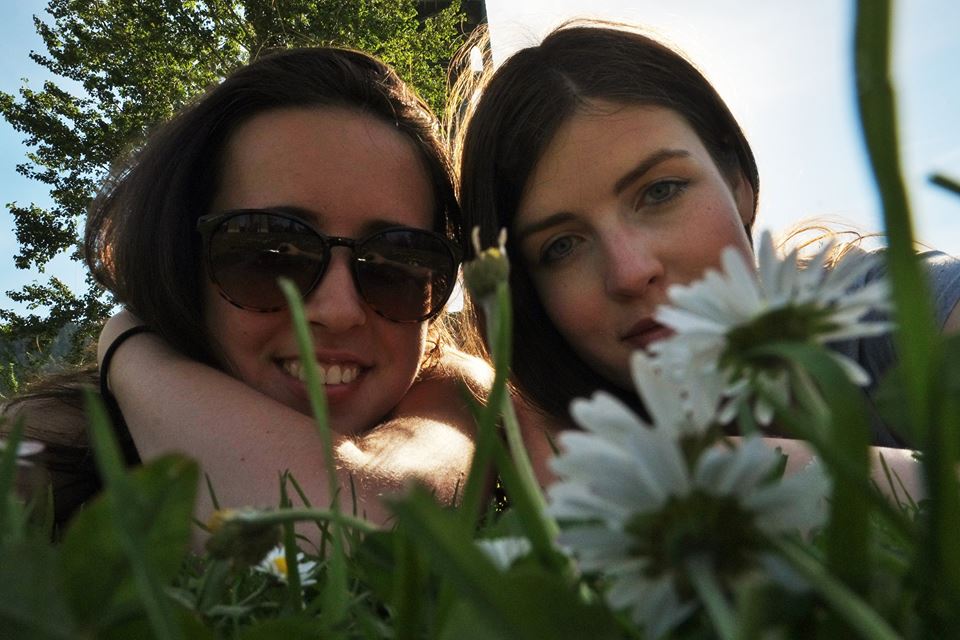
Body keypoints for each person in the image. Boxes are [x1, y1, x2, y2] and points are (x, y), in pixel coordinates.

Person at [3, 46, 491, 538]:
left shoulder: (455, 395)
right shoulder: (43, 446)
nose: (339, 310)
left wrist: (129, 347)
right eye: (270, 253)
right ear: (180, 261)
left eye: (398, 262)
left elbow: (355, 529)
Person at [451, 22, 960, 492]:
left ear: (738, 182)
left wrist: (707, 476)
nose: (630, 272)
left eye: (661, 191)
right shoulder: (555, 430)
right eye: (561, 246)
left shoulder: (889, 311)